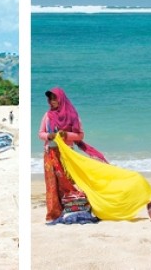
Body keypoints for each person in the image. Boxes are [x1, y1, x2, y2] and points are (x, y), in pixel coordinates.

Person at [38, 87, 108, 221]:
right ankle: (54, 213)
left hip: (66, 154)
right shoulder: (47, 116)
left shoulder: (72, 115)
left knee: (67, 181)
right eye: (50, 99)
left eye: (55, 98)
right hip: (50, 153)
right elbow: (40, 133)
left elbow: (80, 135)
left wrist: (66, 135)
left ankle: (71, 208)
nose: (52, 102)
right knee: (52, 184)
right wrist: (49, 135)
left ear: (61, 99)